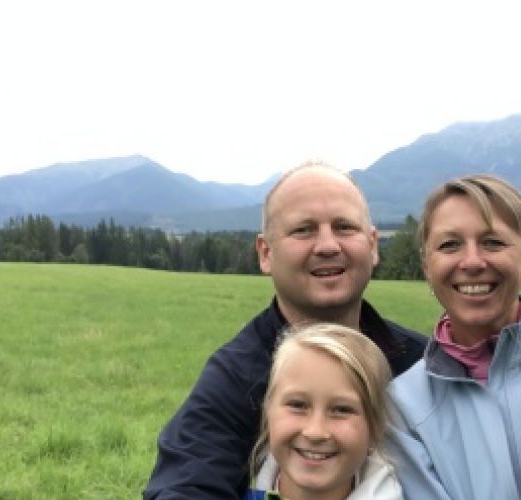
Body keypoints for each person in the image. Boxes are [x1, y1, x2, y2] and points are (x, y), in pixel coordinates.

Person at [144, 161, 426, 499]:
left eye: (344, 227)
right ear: (265, 253)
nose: (327, 245)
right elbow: (185, 486)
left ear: (373, 245)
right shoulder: (235, 378)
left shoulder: (422, 365)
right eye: (304, 230)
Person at [386, 174, 521, 499]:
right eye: (449, 245)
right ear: (427, 267)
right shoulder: (403, 406)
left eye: (492, 242)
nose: (472, 262)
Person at [245, 322, 402, 500]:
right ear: (268, 412)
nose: (315, 432)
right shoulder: (229, 485)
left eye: (342, 410)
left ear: (375, 428)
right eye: (298, 405)